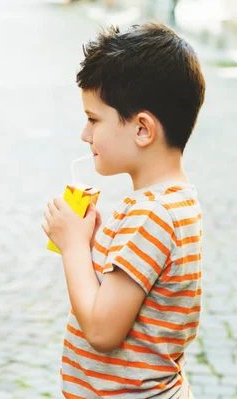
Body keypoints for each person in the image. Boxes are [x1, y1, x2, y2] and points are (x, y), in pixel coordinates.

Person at [43, 23, 205, 398]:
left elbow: (102, 330)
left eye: (94, 119)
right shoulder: (174, 201)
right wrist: (94, 244)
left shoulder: (151, 214)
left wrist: (73, 247)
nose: (85, 135)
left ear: (143, 129)